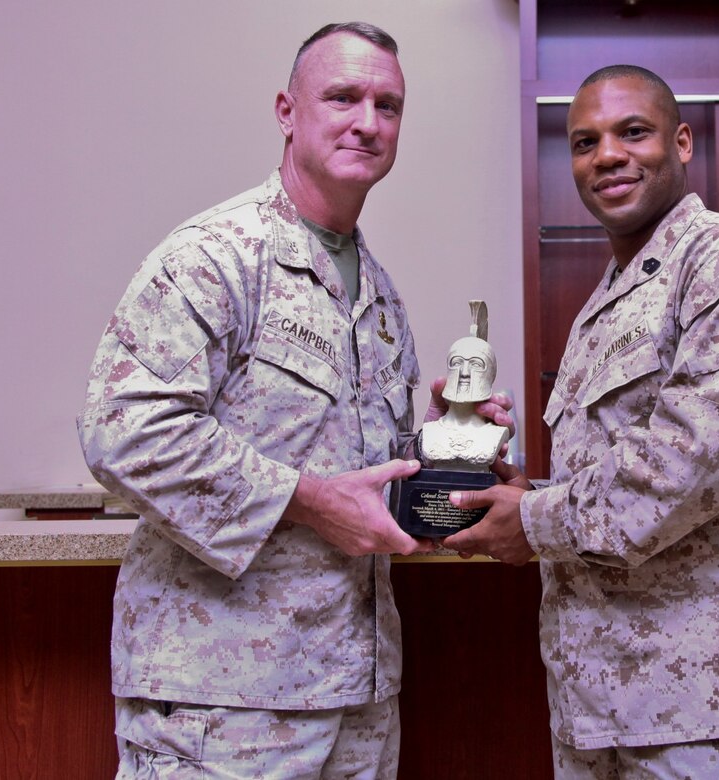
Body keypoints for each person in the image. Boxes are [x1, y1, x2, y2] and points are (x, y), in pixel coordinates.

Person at [78, 22, 510, 778]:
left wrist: (445, 448)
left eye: (389, 105)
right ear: (286, 110)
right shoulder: (216, 256)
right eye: (343, 96)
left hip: (354, 693)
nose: (368, 122)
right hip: (225, 701)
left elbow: (356, 470)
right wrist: (307, 501)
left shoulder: (378, 293)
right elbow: (124, 430)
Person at [443, 65, 719, 777]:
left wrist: (530, 520)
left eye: (633, 132)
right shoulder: (611, 297)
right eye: (586, 142)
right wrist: (506, 483)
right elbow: (609, 471)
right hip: (602, 714)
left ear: (681, 142)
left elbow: (689, 472)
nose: (608, 155)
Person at [417, 301, 510, 471]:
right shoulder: (431, 432)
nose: (465, 373)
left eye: (475, 364)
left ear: (490, 373)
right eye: (457, 363)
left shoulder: (494, 435)